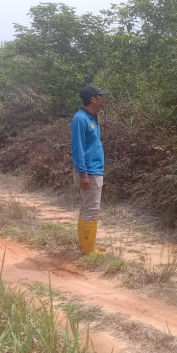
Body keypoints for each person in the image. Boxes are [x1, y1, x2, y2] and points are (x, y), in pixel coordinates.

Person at [71, 83, 109, 254]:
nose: (104, 99)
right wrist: (83, 173)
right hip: (89, 172)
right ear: (93, 99)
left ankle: (86, 244)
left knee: (87, 207)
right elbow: (77, 148)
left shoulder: (91, 117)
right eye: (101, 96)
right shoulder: (80, 119)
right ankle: (88, 248)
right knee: (91, 208)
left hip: (93, 170)